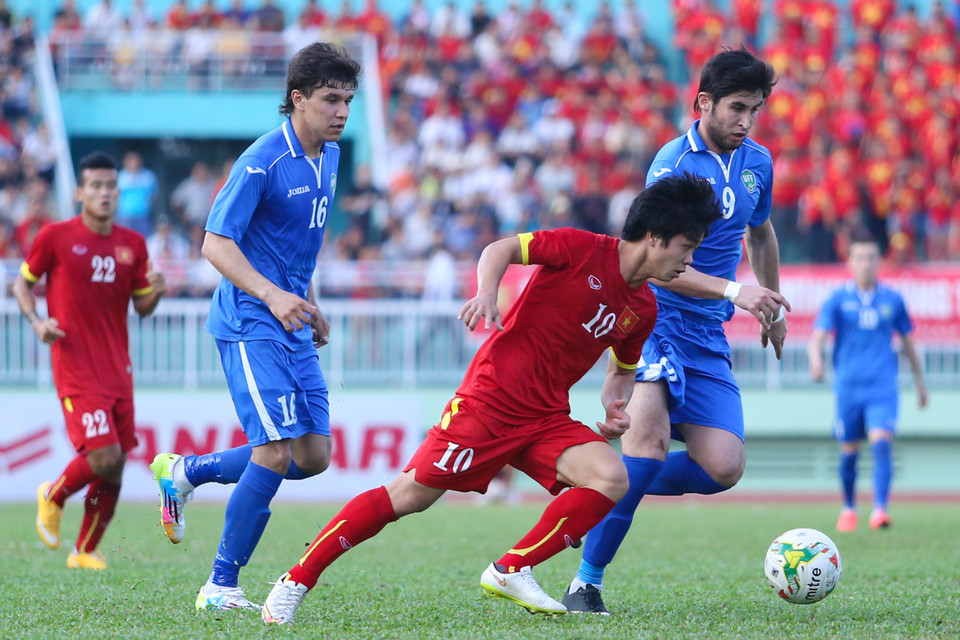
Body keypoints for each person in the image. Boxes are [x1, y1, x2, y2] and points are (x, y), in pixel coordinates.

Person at [257, 173, 722, 625]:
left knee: (609, 477)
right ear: (657, 237)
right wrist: (486, 293)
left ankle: (512, 568)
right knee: (410, 496)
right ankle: (294, 581)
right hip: (490, 401)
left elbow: (622, 367)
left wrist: (614, 404)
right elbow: (501, 248)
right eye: (688, 246)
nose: (690, 260)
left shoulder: (643, 307)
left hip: (546, 416)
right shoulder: (581, 248)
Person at [565, 47, 790, 614]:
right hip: (654, 320)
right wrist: (738, 291)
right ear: (703, 103)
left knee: (724, 468)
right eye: (737, 108)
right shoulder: (672, 164)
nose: (746, 121)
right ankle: (585, 582)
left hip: (708, 334)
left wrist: (773, 306)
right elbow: (656, 264)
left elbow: (760, 235)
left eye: (755, 111)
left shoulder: (758, 162)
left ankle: (599, 480)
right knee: (645, 443)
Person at [147, 42, 361, 612]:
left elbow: (297, 245)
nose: (341, 111)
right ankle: (220, 586)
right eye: (329, 99)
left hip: (289, 320)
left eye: (348, 100)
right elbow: (215, 243)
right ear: (298, 99)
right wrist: (273, 296)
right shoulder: (262, 160)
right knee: (272, 452)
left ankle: (187, 472)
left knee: (312, 456)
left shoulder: (330, 156)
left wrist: (308, 301)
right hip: (248, 321)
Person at [12, 151, 166, 570]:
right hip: (75, 368)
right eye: (95, 186)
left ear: (119, 192)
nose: (104, 193)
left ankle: (84, 550)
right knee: (103, 455)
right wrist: (36, 321)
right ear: (80, 192)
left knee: (115, 467)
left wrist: (158, 289)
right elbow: (20, 285)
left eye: (110, 186)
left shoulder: (132, 244)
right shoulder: (56, 236)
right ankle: (53, 495)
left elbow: (143, 307)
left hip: (118, 370)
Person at [808, 229, 928, 532]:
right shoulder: (837, 298)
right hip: (848, 387)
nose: (866, 263)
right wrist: (816, 360)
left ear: (880, 261)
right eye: (860, 257)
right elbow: (818, 336)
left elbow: (909, 342)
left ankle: (880, 510)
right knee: (849, 452)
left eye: (872, 258)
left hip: (882, 386)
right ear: (850, 261)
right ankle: (849, 508)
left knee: (881, 445)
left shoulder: (892, 299)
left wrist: (920, 383)